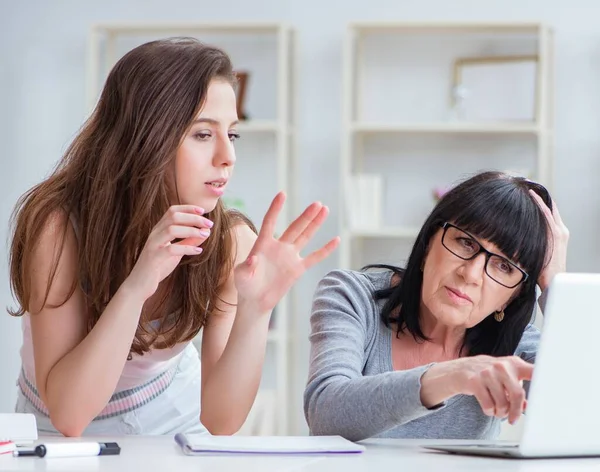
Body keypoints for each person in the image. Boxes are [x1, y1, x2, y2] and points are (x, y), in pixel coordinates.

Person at [8, 37, 339, 437]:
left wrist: (256, 310)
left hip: (169, 412)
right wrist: (138, 285)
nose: (227, 156)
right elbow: (69, 415)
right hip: (54, 421)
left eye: (232, 135)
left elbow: (220, 421)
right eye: (203, 135)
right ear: (145, 137)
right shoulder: (59, 228)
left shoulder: (230, 243)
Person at [304, 171, 569, 441]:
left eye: (504, 266)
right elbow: (325, 414)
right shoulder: (353, 296)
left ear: (512, 296)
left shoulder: (514, 342)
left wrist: (556, 285)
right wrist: (451, 376)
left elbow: (583, 409)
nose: (472, 274)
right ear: (429, 240)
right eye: (466, 243)